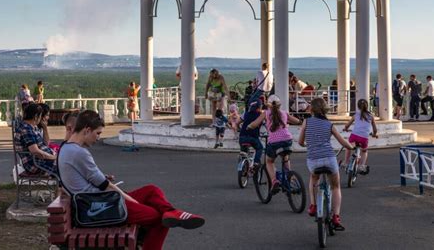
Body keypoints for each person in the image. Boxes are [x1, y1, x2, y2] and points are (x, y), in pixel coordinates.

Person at [57, 110, 205, 250]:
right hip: (99, 206)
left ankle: (173, 212)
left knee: (151, 190)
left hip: (96, 201)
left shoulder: (66, 148)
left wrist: (101, 180)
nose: (99, 138)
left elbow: (80, 179)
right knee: (157, 217)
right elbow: (105, 186)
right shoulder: (79, 152)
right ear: (87, 130)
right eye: (98, 133)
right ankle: (171, 214)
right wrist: (131, 201)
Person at [298, 98, 353, 230]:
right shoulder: (329, 125)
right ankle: (336, 217)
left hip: (313, 160)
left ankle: (313, 205)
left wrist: (307, 144)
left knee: (313, 178)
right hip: (329, 158)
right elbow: (342, 142)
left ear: (312, 109)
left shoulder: (307, 122)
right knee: (335, 186)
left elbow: (300, 142)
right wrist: (350, 147)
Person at [247, 95, 301, 194]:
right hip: (287, 140)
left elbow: (255, 123)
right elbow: (297, 121)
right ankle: (289, 176)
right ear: (279, 105)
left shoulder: (266, 113)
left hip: (274, 142)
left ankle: (274, 181)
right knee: (285, 157)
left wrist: (248, 127)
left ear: (268, 105)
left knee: (269, 162)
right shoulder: (284, 113)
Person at [13, 103, 56, 174]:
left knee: (66, 163)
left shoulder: (32, 127)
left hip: (41, 160)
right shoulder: (26, 129)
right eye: (40, 116)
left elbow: (45, 144)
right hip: (36, 164)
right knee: (64, 167)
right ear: (36, 117)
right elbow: (35, 151)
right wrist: (54, 157)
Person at [343, 99, 377, 174]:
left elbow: (347, 125)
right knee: (364, 151)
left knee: (348, 147)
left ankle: (346, 162)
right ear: (367, 106)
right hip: (364, 138)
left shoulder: (355, 115)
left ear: (358, 107)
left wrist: (345, 129)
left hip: (354, 136)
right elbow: (375, 129)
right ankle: (361, 165)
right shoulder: (371, 116)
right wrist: (374, 134)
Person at [239, 99, 264, 171]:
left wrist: (239, 128)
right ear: (259, 107)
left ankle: (243, 166)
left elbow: (237, 122)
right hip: (253, 137)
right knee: (259, 148)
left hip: (242, 137)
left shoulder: (245, 113)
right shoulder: (260, 115)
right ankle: (256, 163)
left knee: (243, 152)